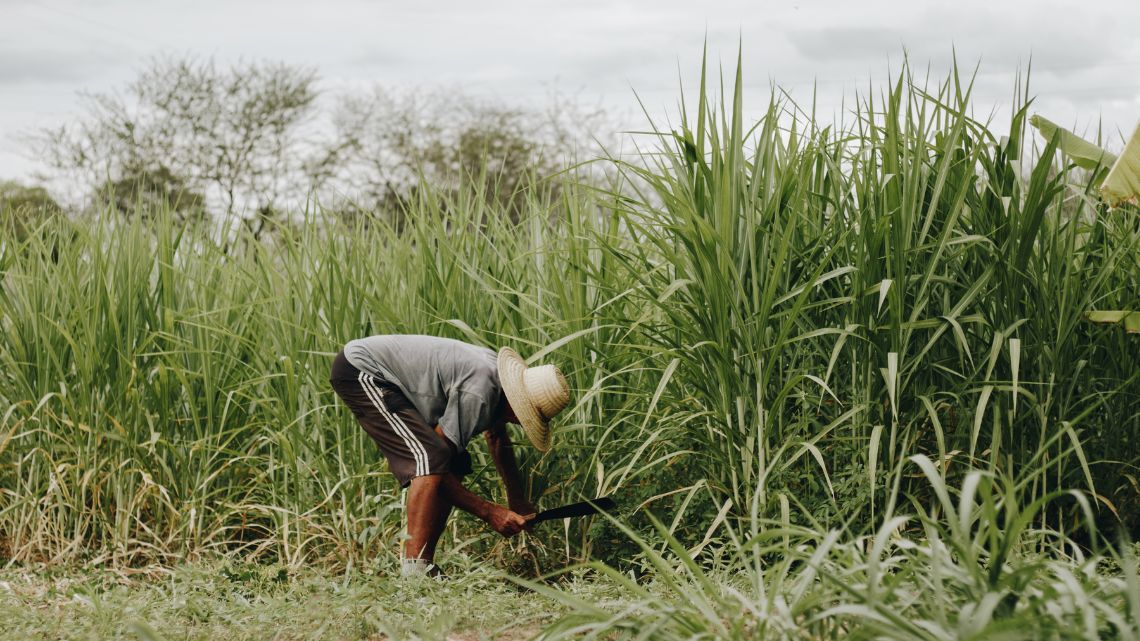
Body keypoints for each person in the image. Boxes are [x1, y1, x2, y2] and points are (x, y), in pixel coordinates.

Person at [329, 334, 570, 578]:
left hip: (381, 371)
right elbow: (433, 465)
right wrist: (490, 512)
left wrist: (516, 499)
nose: (520, 422)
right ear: (518, 403)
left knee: (454, 461)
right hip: (362, 369)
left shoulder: (497, 384)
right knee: (431, 458)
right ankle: (414, 574)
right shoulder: (481, 391)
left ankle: (424, 564)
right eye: (525, 416)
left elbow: (496, 438)